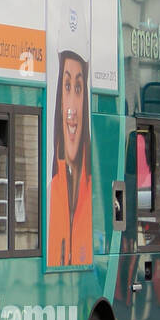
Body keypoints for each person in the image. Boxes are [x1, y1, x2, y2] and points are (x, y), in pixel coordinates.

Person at [48, 49, 92, 266]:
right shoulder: (50, 190)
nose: (72, 111)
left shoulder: (95, 193)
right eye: (67, 87)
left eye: (78, 88)